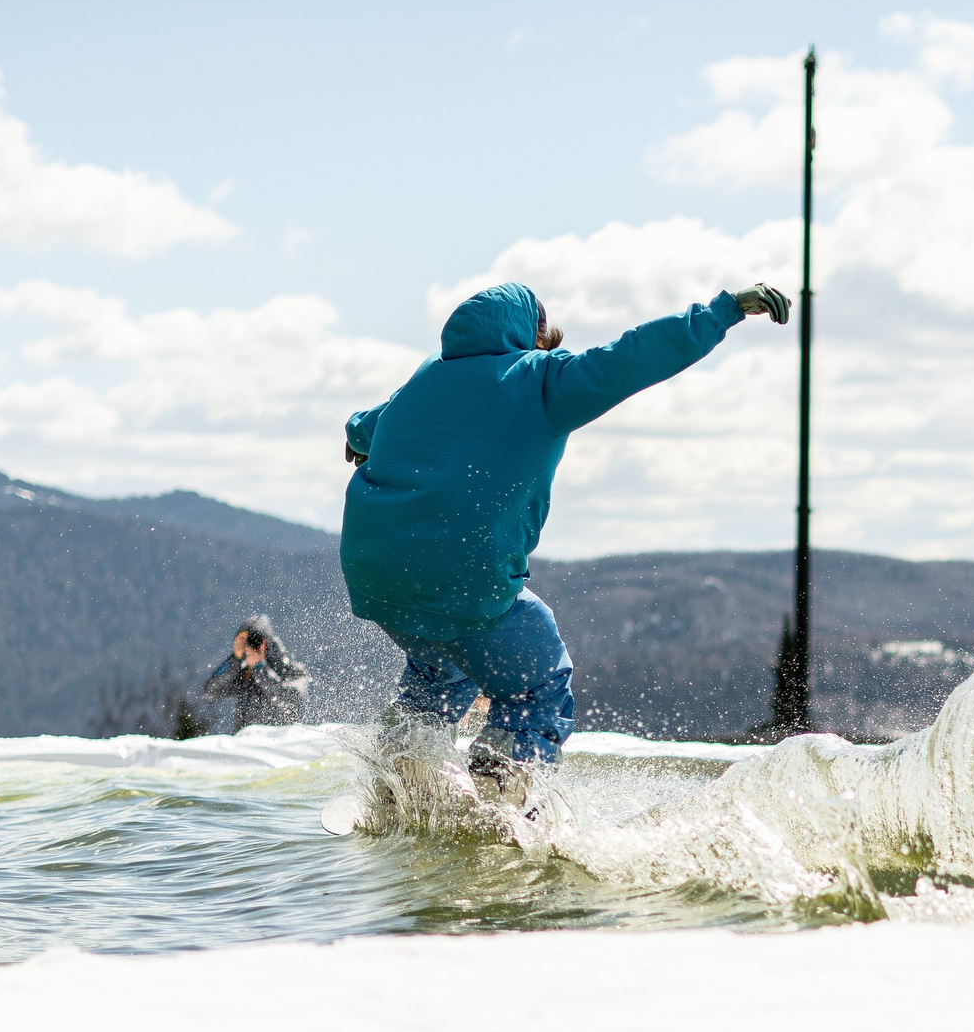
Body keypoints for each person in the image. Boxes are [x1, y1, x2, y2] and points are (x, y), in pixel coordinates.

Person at [339, 278, 790, 793]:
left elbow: (366, 426)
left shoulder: (425, 380)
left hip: (375, 574)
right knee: (537, 682)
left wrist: (357, 436)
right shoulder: (541, 381)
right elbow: (632, 355)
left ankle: (397, 780)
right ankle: (500, 805)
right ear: (530, 334)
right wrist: (723, 312)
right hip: (460, 578)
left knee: (442, 669)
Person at [202, 615, 311, 728]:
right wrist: (235, 659)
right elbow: (210, 692)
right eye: (245, 640)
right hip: (245, 741)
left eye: (256, 640)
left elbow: (287, 699)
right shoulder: (244, 672)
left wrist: (259, 669)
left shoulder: (290, 670)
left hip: (280, 741)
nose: (251, 644)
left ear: (267, 642)